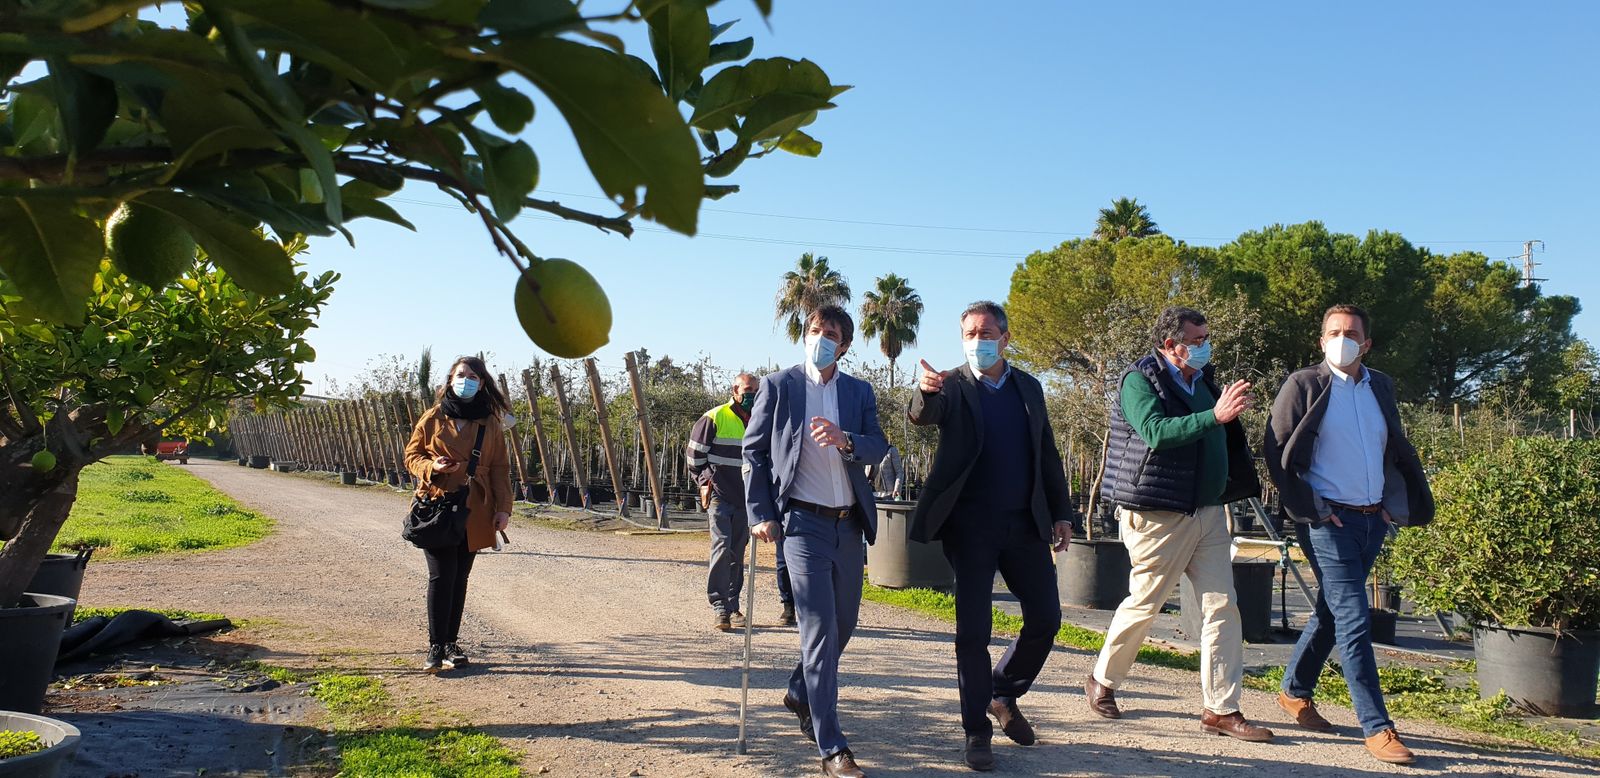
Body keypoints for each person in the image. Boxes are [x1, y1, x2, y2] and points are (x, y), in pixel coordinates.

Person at [908, 301, 1079, 771]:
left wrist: (1062, 513)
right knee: (973, 632)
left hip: (1025, 525)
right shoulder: (952, 385)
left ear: (1005, 338)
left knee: (1045, 618)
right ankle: (976, 733)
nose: (977, 341)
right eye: (969, 334)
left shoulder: (1029, 386)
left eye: (985, 333)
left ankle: (1002, 692)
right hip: (971, 528)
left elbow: (1047, 453)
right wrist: (924, 392)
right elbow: (924, 414)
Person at [1087, 306, 1271, 742]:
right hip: (1159, 515)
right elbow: (1156, 432)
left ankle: (1220, 709)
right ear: (1171, 344)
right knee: (1145, 604)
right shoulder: (1139, 380)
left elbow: (1219, 432)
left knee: (1222, 606)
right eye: (1197, 340)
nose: (1205, 347)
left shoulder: (1203, 380)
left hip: (1208, 512)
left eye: (1207, 338)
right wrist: (1215, 416)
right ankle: (1102, 679)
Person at [1263, 304, 1434, 765]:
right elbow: (1277, 453)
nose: (1342, 339)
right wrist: (1313, 510)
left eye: (1351, 333)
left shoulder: (1381, 386)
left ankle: (1294, 691)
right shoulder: (1303, 384)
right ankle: (1377, 726)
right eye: (1334, 332)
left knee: (1331, 611)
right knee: (1355, 619)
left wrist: (1390, 503)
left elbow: (1390, 446)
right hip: (1327, 522)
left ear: (1367, 343)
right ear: (1322, 341)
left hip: (1371, 519)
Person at [744, 305, 887, 778]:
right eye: (814, 330)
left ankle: (798, 690)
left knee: (844, 625)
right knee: (820, 631)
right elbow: (754, 453)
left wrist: (846, 439)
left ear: (844, 346)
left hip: (849, 526)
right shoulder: (779, 385)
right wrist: (761, 513)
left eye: (830, 334)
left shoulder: (858, 391)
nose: (820, 338)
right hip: (801, 525)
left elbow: (878, 444)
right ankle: (832, 746)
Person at [403, 356, 513, 673]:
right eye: (461, 375)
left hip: (476, 507)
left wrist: (503, 508)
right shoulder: (433, 417)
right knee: (442, 575)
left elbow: (500, 469)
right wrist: (432, 466)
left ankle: (451, 644)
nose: (467, 381)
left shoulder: (490, 423)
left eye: (473, 377)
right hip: (437, 504)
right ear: (450, 379)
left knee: (460, 578)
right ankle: (436, 646)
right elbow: (411, 455)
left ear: (482, 383)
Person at [688, 373, 800, 631]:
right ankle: (720, 607)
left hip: (746, 499)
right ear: (735, 391)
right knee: (721, 547)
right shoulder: (715, 417)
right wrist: (707, 481)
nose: (752, 395)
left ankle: (733, 605)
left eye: (756, 390)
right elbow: (694, 457)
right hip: (720, 495)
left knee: (737, 553)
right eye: (747, 390)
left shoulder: (763, 419)